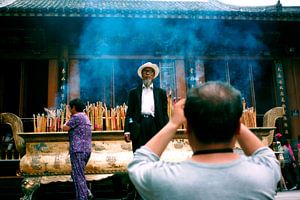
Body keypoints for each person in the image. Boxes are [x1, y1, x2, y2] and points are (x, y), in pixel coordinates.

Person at [128, 81, 281, 200]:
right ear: (237, 127)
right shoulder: (264, 173)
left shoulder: (164, 179)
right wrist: (233, 118)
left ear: (187, 130)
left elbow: (140, 160)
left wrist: (173, 124)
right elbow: (264, 153)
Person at [123, 62, 169, 200]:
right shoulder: (133, 92)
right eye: (145, 72)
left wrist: (166, 130)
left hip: (155, 125)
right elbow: (129, 114)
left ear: (154, 75)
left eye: (150, 72)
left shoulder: (161, 93)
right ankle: (134, 192)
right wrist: (128, 129)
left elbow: (164, 113)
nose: (147, 74)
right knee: (138, 158)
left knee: (154, 157)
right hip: (139, 126)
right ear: (141, 75)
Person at [63, 98, 93, 200]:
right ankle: (86, 192)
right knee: (77, 174)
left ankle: (83, 197)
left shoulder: (76, 116)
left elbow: (65, 127)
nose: (69, 110)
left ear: (74, 107)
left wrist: (67, 119)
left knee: (78, 176)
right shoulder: (85, 116)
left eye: (70, 108)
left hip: (78, 150)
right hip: (86, 149)